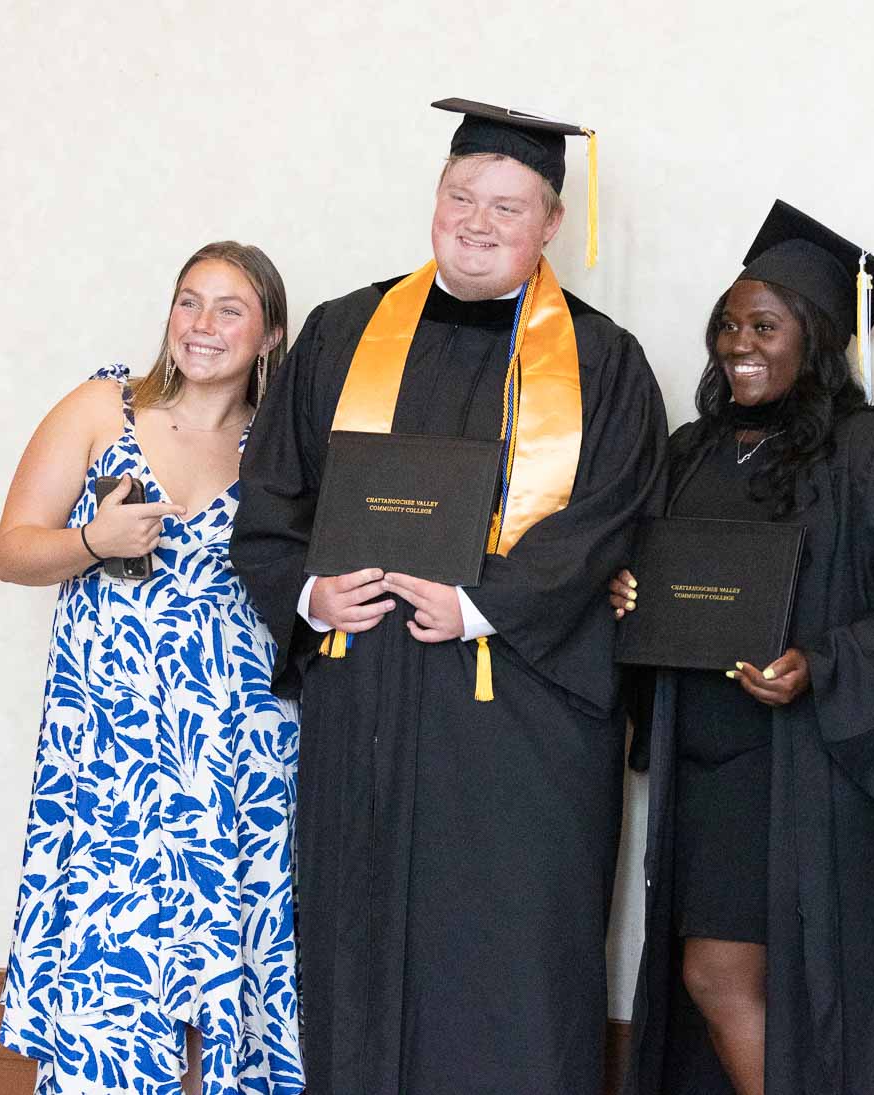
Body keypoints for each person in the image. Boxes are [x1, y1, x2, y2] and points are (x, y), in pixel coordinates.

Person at [230, 98, 668, 1095]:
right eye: (461, 195)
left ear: (552, 223)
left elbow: (610, 515)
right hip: (366, 701)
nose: (477, 222)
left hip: (520, 724)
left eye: (507, 207)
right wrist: (311, 594)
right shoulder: (344, 332)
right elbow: (272, 496)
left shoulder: (601, 360)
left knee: (510, 966)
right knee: (357, 950)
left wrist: (483, 604)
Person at [618, 201, 874, 1095]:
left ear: (816, 339)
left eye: (764, 326)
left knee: (756, 980)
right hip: (706, 766)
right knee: (713, 980)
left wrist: (823, 665)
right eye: (728, 325)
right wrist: (631, 600)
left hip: (810, 772)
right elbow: (656, 581)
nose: (740, 344)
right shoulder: (690, 452)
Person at [0, 242, 302, 1095]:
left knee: (232, 958)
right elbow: (11, 550)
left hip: (242, 747)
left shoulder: (282, 444)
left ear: (270, 333)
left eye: (230, 309)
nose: (202, 325)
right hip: (112, 744)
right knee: (114, 957)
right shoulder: (103, 408)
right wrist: (93, 540)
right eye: (188, 301)